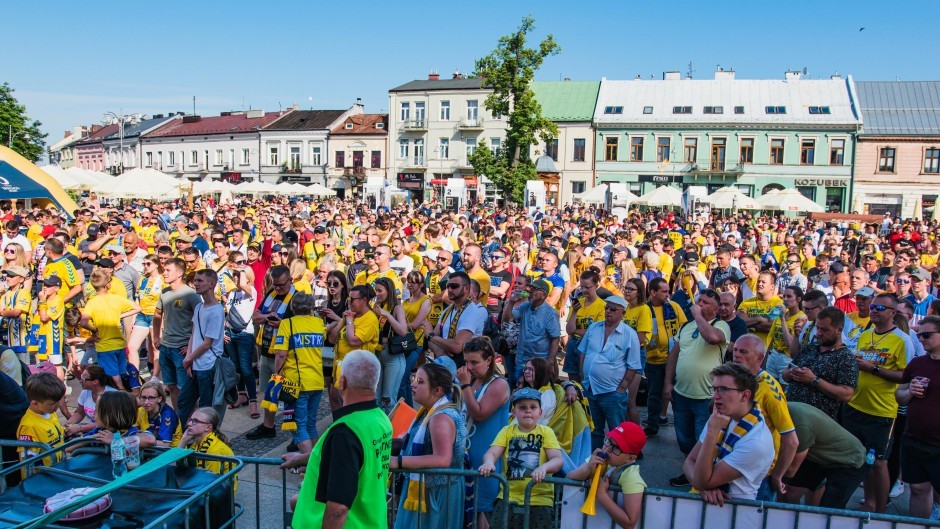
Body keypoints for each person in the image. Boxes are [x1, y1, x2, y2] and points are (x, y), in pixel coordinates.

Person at [281, 350, 392, 528]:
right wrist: (301, 458)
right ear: (376, 384)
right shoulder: (380, 419)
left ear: (342, 382)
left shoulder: (345, 431)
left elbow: (338, 509)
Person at [845, 292, 912, 513]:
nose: (874, 310)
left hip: (881, 411)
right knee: (862, 459)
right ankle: (869, 501)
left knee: (879, 462)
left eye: (880, 308)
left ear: (893, 313)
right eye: (873, 306)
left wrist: (873, 368)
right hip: (855, 406)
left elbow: (906, 376)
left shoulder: (902, 340)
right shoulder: (865, 335)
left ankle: (880, 509)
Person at [682, 363, 775, 504]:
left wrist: (712, 433)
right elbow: (689, 462)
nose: (715, 396)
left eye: (723, 390)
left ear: (745, 395)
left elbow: (700, 481)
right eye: (714, 389)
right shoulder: (721, 416)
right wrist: (704, 486)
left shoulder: (757, 442)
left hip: (734, 511)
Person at [664, 288, 730, 487]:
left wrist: (698, 316)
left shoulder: (721, 325)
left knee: (705, 441)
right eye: (698, 300)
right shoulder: (686, 327)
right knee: (684, 439)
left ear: (716, 309)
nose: (699, 304)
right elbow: (674, 355)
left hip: (706, 397)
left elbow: (712, 338)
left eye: (705, 302)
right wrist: (668, 383)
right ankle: (690, 471)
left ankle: (705, 477)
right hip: (681, 393)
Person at [390, 361, 467, 529]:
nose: (413, 384)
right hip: (428, 489)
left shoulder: (441, 418)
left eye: (420, 381)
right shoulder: (430, 410)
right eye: (414, 379)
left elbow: (443, 459)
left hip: (434, 493)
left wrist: (399, 462)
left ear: (437, 390)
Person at [479, 387, 564, 529]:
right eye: (522, 407)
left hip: (539, 500)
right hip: (508, 497)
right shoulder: (507, 431)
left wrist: (544, 467)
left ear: (540, 412)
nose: (528, 410)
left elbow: (557, 459)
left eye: (533, 407)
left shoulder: (546, 432)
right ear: (514, 412)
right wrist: (488, 462)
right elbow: (491, 453)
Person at [731, 334, 799, 500]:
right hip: (733, 465)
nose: (737, 355)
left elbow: (791, 440)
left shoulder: (769, 388)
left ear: (760, 357)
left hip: (759, 476)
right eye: (735, 350)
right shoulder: (734, 379)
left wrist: (777, 476)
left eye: (744, 352)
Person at [455, 336, 510, 527]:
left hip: (487, 459)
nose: (469, 367)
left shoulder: (499, 384)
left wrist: (465, 386)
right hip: (467, 455)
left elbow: (479, 414)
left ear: (489, 361)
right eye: (466, 362)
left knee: (483, 513)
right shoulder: (473, 381)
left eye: (474, 362)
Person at [579, 295, 641, 450]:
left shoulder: (629, 334)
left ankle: (616, 465)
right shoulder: (594, 328)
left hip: (612, 393)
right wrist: (582, 376)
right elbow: (583, 352)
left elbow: (633, 365)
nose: (608, 311)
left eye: (613, 309)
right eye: (606, 307)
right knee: (594, 430)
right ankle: (593, 464)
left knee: (616, 433)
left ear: (623, 313)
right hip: (590, 388)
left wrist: (621, 388)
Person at [778, 402, 866, 510]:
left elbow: (790, 471)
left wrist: (775, 478)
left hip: (850, 461)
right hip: (822, 455)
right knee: (788, 492)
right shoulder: (783, 408)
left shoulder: (800, 425)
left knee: (830, 510)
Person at [897, 315, 940, 518]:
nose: (921, 339)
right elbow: (900, 396)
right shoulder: (916, 364)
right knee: (918, 489)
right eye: (919, 334)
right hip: (914, 439)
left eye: (926, 335)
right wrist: (910, 392)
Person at [566, 421, 647, 529]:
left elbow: (630, 523)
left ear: (630, 458)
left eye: (617, 448)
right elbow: (569, 478)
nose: (608, 448)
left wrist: (602, 495)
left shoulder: (631, 477)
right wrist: (588, 467)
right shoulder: (598, 458)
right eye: (609, 440)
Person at [783, 306, 858, 421]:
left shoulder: (845, 357)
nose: (818, 333)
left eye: (824, 330)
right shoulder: (810, 348)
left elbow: (846, 394)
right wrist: (792, 372)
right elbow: (785, 374)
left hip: (817, 423)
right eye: (817, 328)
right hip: (790, 414)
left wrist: (814, 379)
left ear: (838, 330)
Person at [272, 293, 326, 453]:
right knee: (310, 424)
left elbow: (281, 354)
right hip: (316, 380)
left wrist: (277, 372)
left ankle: (308, 463)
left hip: (296, 383)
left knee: (297, 426)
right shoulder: (318, 322)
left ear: (292, 307)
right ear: (311, 308)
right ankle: (316, 463)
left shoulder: (287, 324)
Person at [247, 264, 296, 439]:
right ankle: (268, 426)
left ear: (290, 280)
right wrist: (269, 317)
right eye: (275, 284)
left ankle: (296, 434)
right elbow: (256, 316)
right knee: (269, 392)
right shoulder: (271, 294)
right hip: (267, 349)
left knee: (288, 394)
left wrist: (280, 323)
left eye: (281, 285)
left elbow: (299, 325)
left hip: (285, 354)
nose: (278, 288)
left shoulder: (296, 298)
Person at [153, 258, 202, 412]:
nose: (164, 273)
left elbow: (200, 320)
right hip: (166, 347)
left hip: (181, 349)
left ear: (180, 273)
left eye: (168, 270)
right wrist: (156, 336)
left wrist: (191, 345)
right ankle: (179, 420)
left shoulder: (191, 294)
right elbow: (157, 314)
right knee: (172, 387)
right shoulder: (164, 292)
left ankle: (190, 421)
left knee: (186, 391)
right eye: (164, 270)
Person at [178, 268, 224, 425]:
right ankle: (180, 435)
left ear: (211, 284)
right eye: (195, 280)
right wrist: (189, 358)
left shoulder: (217, 311)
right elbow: (194, 333)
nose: (195, 284)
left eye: (199, 281)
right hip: (195, 363)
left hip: (208, 365)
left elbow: (207, 343)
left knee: (205, 407)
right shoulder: (199, 307)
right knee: (184, 401)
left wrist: (189, 358)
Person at [80, 270, 139, 390]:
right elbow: (137, 308)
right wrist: (120, 316)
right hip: (119, 344)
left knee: (112, 375)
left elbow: (83, 322)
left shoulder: (92, 302)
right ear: (107, 284)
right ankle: (125, 392)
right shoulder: (116, 299)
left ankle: (121, 392)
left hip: (104, 345)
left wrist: (94, 330)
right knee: (121, 372)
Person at [643, 277, 686, 437]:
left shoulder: (674, 307)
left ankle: (681, 429)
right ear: (653, 292)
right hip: (653, 360)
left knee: (676, 394)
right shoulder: (645, 309)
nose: (669, 294)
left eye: (669, 291)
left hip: (674, 359)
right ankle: (653, 424)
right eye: (665, 291)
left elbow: (684, 328)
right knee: (654, 394)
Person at [327, 285, 380, 409]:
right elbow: (332, 338)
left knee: (350, 405)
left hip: (357, 370)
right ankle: (338, 425)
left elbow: (353, 340)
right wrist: (343, 322)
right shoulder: (352, 315)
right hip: (341, 366)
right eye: (348, 299)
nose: (349, 303)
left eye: (352, 300)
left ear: (364, 300)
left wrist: (349, 321)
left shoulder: (370, 319)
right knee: (334, 398)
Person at [503, 278, 561, 383]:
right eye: (530, 288)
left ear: (543, 295)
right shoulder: (525, 307)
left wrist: (550, 362)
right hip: (522, 360)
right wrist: (511, 302)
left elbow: (555, 339)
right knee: (520, 389)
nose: (530, 291)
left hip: (540, 362)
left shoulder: (550, 314)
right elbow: (507, 319)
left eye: (534, 289)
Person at [425, 271, 488, 366]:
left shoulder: (472, 312)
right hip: (447, 365)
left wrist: (431, 336)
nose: (449, 289)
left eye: (454, 286)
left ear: (467, 288)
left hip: (466, 368)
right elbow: (432, 342)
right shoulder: (447, 310)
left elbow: (457, 346)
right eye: (448, 286)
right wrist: (442, 353)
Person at [223, 252, 258, 418]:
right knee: (236, 367)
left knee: (246, 368)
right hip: (231, 333)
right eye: (234, 276)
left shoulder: (251, 291)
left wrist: (241, 269)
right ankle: (241, 395)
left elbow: (244, 282)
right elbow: (228, 314)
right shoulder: (232, 294)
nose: (235, 279)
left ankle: (253, 401)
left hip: (244, 334)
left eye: (237, 276)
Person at [177, 407, 237, 491]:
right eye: (190, 420)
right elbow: (177, 466)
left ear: (208, 427)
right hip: (206, 488)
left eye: (195, 421)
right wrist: (183, 441)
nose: (189, 424)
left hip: (220, 495)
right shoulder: (197, 442)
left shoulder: (214, 449)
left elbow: (211, 481)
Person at [372, 277, 409, 412]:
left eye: (380, 291)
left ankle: (390, 431)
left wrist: (387, 315)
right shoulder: (377, 307)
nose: (377, 294)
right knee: (376, 398)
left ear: (389, 291)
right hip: (377, 353)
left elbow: (403, 331)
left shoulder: (397, 308)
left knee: (388, 399)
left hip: (393, 355)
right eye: (376, 290)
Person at [16, 372, 66, 470]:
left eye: (58, 401)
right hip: (41, 479)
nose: (57, 406)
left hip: (58, 470)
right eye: (52, 404)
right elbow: (28, 462)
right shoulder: (29, 426)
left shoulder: (49, 412)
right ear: (35, 404)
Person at [564, 270, 605, 383]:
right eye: (582, 287)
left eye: (587, 287)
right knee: (573, 379)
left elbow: (596, 332)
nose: (584, 291)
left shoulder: (602, 306)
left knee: (585, 378)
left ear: (596, 286)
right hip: (574, 344)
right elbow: (569, 330)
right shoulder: (578, 303)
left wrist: (576, 330)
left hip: (589, 345)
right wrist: (574, 312)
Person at [127, 254, 163, 374]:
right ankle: (135, 376)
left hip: (156, 315)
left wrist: (163, 319)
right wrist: (133, 317)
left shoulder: (163, 279)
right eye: (144, 264)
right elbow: (137, 298)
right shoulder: (143, 278)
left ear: (156, 264)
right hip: (142, 315)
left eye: (148, 264)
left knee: (155, 347)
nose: (146, 266)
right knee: (131, 346)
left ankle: (155, 376)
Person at [400, 270, 431, 407]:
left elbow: (416, 324)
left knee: (402, 376)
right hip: (404, 342)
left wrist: (399, 326)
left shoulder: (426, 301)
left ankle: (405, 408)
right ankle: (409, 410)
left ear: (421, 284)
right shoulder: (406, 300)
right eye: (409, 282)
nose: (410, 285)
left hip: (416, 342)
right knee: (405, 377)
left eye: (414, 282)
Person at [765, 286, 806, 381]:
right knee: (771, 388)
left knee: (784, 390)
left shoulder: (801, 318)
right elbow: (771, 337)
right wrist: (766, 359)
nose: (785, 299)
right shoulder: (780, 314)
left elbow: (790, 343)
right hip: (774, 354)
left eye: (789, 296)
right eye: (784, 296)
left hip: (787, 358)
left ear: (798, 299)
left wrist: (782, 319)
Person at [135, 379, 182, 448]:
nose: (146, 402)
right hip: (149, 448)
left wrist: (139, 440)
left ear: (159, 398)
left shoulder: (167, 414)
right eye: (143, 397)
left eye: (151, 398)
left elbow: (165, 444)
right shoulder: (140, 411)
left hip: (170, 452)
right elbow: (131, 432)